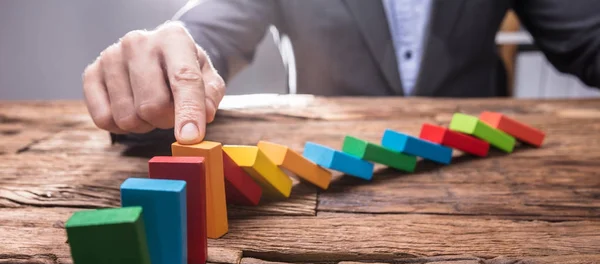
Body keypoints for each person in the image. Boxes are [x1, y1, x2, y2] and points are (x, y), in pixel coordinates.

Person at [83, 0, 600, 145]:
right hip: (319, 187)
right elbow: (214, 26)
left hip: (482, 181)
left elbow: (588, 37)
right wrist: (174, 53)